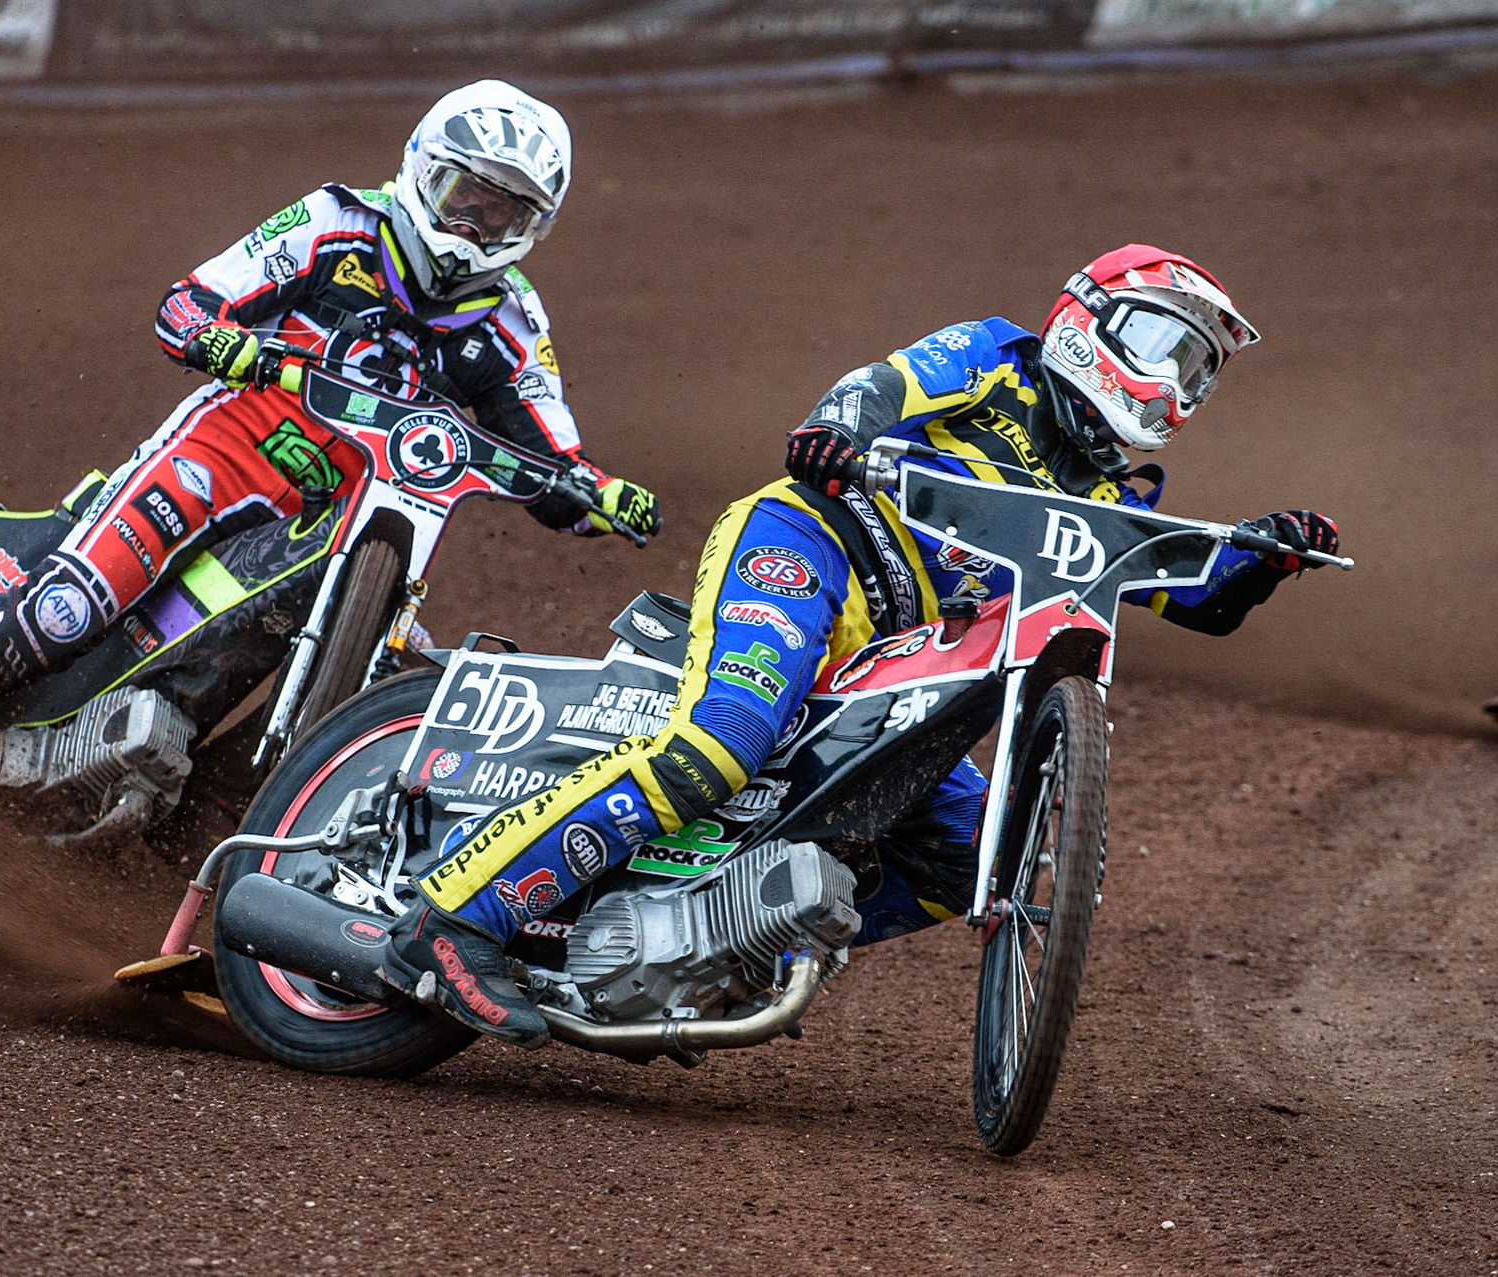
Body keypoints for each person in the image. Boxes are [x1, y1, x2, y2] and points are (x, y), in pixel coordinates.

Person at [380, 244, 1341, 1045]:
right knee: (722, 738)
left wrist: (1267, 554)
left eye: (1198, 370)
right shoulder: (999, 356)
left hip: (889, 660)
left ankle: (728, 947)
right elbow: (876, 388)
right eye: (1164, 345)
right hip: (813, 546)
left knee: (977, 856)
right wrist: (840, 428)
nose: (1175, 382)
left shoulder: (1112, 501)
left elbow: (1198, 601)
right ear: (1089, 318)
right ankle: (457, 917)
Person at [0, 79, 661, 736]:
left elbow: (556, 459)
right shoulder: (337, 224)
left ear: (534, 227)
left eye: (504, 213)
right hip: (229, 449)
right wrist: (224, 341)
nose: (475, 226)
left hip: (342, 522)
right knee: (70, 606)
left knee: (383, 676)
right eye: (463, 196)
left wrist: (603, 495)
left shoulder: (513, 324)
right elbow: (188, 303)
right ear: (419, 167)